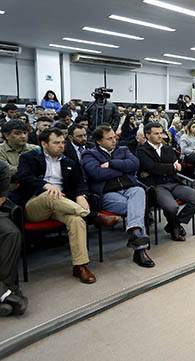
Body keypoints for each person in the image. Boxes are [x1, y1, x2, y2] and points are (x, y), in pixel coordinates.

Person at [9, 128, 112, 284]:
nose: (61, 146)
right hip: (35, 205)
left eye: (63, 142)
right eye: (56, 143)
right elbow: (23, 177)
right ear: (44, 144)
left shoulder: (69, 161)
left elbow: (80, 183)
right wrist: (45, 185)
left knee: (76, 220)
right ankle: (93, 216)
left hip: (62, 206)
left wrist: (80, 195)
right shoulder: (29, 158)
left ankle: (80, 266)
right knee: (50, 194)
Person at [81, 125, 155, 268]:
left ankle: (135, 232)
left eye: (115, 137)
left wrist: (111, 164)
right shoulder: (89, 154)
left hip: (129, 188)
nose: (114, 141)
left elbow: (135, 164)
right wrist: (123, 170)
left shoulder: (123, 149)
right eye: (109, 139)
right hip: (107, 193)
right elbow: (96, 174)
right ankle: (140, 250)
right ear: (99, 141)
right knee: (137, 208)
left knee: (139, 192)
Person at [137, 123, 195, 242]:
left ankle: (174, 224)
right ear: (147, 135)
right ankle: (174, 228)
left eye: (161, 133)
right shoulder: (142, 151)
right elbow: (152, 167)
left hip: (173, 182)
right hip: (157, 185)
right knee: (172, 207)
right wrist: (170, 167)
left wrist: (159, 169)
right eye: (156, 133)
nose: (160, 136)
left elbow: (177, 166)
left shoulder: (167, 148)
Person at [0, 160, 28, 317]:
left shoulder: (1, 167)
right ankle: (6, 294)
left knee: (11, 233)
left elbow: (1, 199)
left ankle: (7, 289)